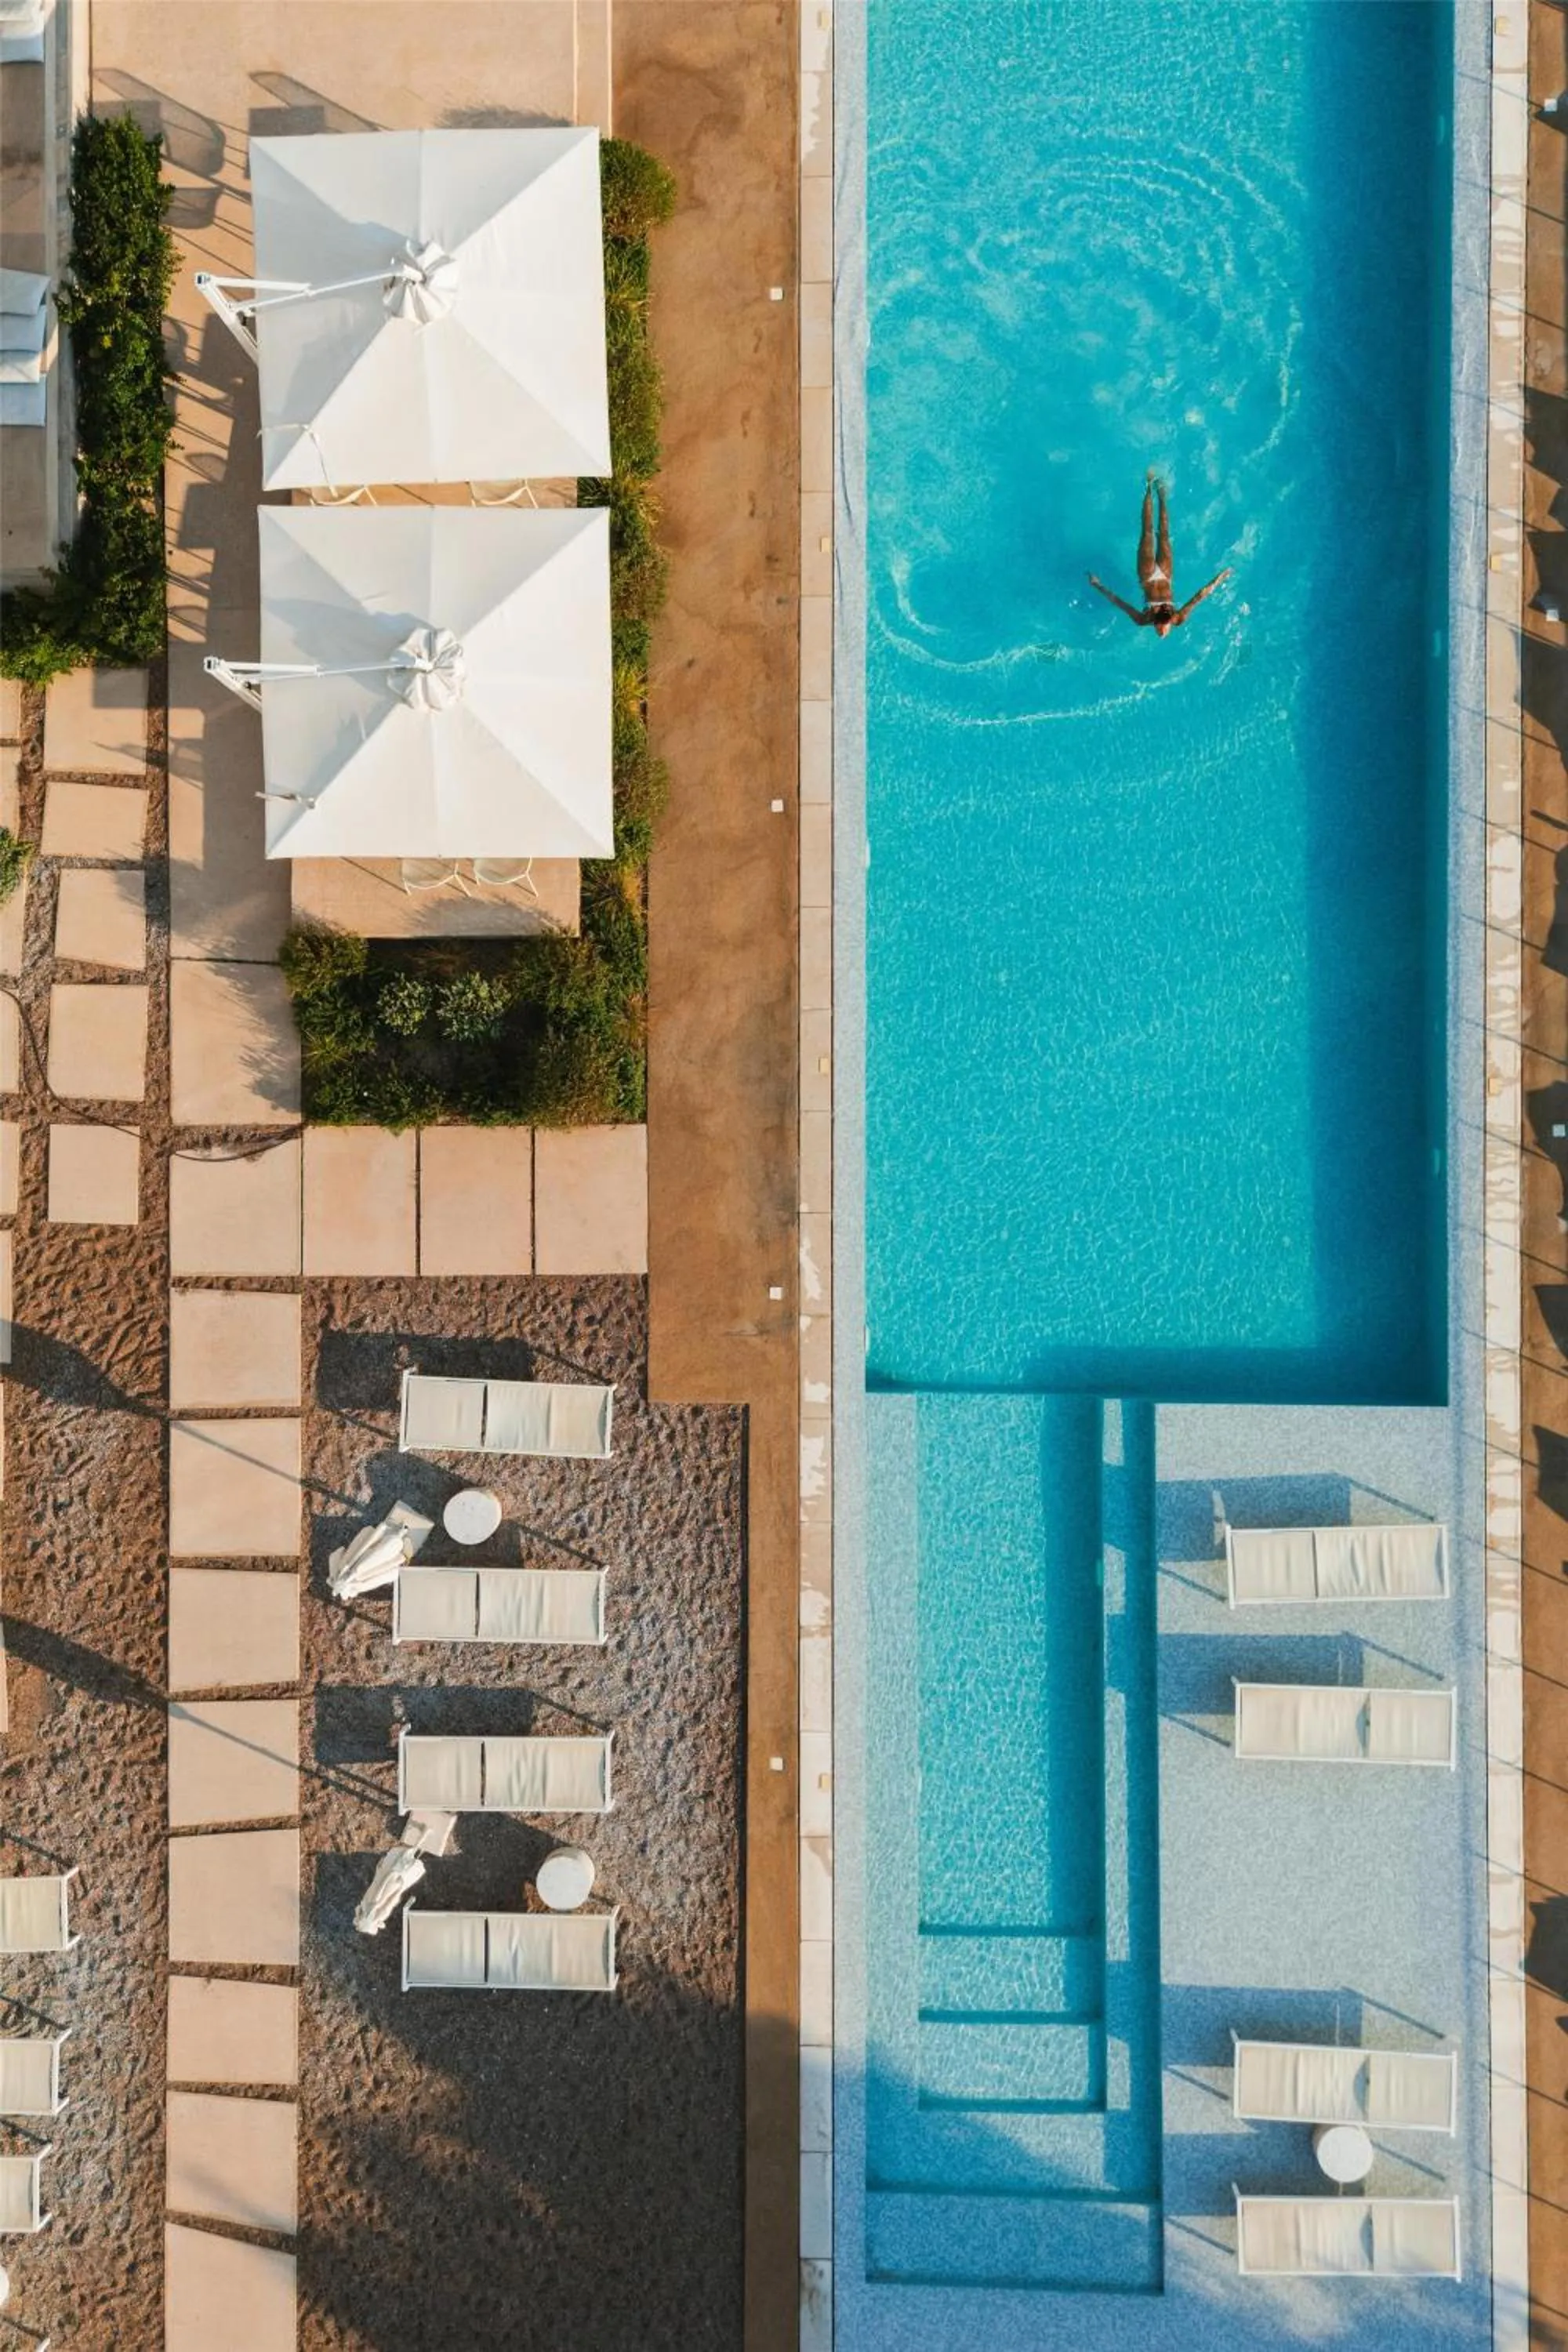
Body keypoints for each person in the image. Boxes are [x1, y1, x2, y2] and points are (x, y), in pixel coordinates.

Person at [1089, 471, 1231, 637]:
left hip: (1148, 574)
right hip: (1163, 573)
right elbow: (1198, 597)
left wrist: (1099, 585)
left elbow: (1121, 603)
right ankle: (1159, 492)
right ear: (1170, 625)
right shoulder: (1176, 618)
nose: (1161, 630)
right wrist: (1219, 579)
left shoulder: (1145, 620)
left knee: (1150, 532)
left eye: (1158, 628)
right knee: (1159, 533)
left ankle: (1150, 487)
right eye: (1164, 628)